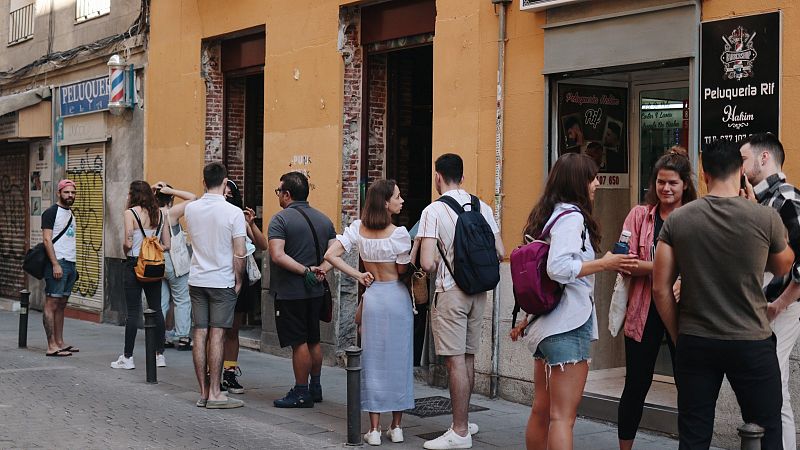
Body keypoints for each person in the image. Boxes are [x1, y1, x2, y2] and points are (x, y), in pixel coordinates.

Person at [653, 138, 794, 449]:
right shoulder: (763, 217)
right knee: (767, 429)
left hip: (696, 340)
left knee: (694, 433)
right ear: (741, 171)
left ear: (704, 175)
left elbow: (660, 287)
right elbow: (784, 266)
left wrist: (679, 334)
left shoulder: (678, 219)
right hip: (751, 340)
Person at [510, 153, 636, 450]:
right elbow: (558, 268)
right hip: (568, 324)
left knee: (543, 411)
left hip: (547, 326)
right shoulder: (572, 218)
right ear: (578, 182)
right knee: (562, 417)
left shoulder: (548, 214)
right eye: (592, 177)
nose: (597, 183)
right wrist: (606, 263)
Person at [417, 153, 505, 449]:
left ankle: (459, 430)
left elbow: (427, 263)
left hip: (451, 292)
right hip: (479, 292)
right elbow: (500, 251)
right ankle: (464, 422)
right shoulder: (483, 207)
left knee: (454, 362)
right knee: (467, 358)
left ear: (437, 177)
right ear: (463, 177)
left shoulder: (433, 211)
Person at [616, 150, 697, 450]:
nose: (666, 189)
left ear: (685, 184)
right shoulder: (639, 215)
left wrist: (654, 269)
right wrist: (667, 270)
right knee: (636, 385)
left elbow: (702, 263)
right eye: (661, 182)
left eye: (673, 183)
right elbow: (623, 259)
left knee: (688, 387)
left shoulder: (696, 215)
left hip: (685, 312)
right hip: (642, 311)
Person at [325, 179, 414, 445]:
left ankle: (373, 429)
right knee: (399, 360)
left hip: (373, 297)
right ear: (385, 203)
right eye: (397, 197)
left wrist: (358, 274)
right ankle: (396, 426)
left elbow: (331, 255)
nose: (401, 200)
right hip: (396, 298)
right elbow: (401, 271)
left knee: (373, 362)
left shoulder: (357, 229)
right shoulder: (399, 234)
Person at [740, 133, 800, 450]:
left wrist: (780, 303)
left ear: (764, 159)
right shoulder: (761, 200)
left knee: (773, 390)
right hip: (762, 307)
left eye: (744, 158)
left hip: (779, 307)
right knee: (770, 391)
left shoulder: (786, 198)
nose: (740, 165)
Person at [268, 171, 335, 408]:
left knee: (299, 343)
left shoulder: (280, 220)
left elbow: (277, 255)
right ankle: (315, 387)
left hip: (291, 292)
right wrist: (321, 270)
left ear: (287, 194)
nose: (278, 195)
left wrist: (305, 270)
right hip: (316, 291)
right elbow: (334, 254)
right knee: (314, 339)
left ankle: (301, 392)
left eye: (279, 191)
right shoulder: (325, 220)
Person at [184, 162, 247, 409]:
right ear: (225, 182)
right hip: (222, 280)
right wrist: (239, 279)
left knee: (199, 333)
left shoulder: (191, 209)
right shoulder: (233, 213)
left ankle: (202, 392)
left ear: (203, 182)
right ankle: (215, 393)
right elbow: (240, 252)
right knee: (218, 334)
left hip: (197, 278)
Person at [111, 181, 171, 370]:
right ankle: (159, 354)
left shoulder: (131, 213)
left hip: (134, 264)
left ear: (132, 195)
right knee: (156, 309)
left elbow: (128, 242)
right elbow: (167, 245)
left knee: (133, 312)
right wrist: (153, 247)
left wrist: (127, 248)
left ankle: (128, 357)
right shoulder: (161, 213)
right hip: (154, 266)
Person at [221, 180, 268, 395]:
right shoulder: (212, 214)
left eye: (231, 194)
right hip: (218, 277)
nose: (227, 196)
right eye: (224, 193)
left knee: (233, 330)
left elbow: (263, 244)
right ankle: (213, 373)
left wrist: (252, 223)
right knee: (216, 330)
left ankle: (229, 373)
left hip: (239, 277)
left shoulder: (239, 217)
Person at [152, 181, 196, 351]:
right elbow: (193, 198)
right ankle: (183, 337)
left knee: (162, 300)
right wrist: (173, 190)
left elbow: (133, 201)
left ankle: (162, 336)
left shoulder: (149, 213)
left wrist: (152, 189)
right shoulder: (170, 213)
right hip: (173, 260)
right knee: (182, 299)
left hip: (155, 260)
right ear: (170, 198)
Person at [41, 179, 79, 357]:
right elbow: (47, 240)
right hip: (58, 263)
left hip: (70, 263)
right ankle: (51, 345)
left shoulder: (71, 213)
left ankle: (60, 342)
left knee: (62, 304)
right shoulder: (50, 212)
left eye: (72, 192)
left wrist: (73, 266)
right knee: (52, 303)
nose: (70, 195)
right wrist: (55, 263)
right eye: (66, 192)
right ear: (59, 193)